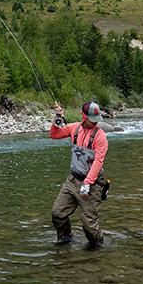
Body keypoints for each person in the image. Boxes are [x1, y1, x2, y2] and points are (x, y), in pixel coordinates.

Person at [50, 100, 108, 247]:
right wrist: (57, 119)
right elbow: (54, 135)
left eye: (96, 120)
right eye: (92, 119)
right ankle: (66, 239)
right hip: (73, 179)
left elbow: (98, 162)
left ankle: (98, 246)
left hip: (93, 184)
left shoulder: (100, 136)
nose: (95, 123)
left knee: (89, 226)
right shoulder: (74, 128)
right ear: (83, 116)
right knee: (58, 213)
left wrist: (87, 183)